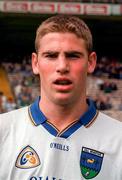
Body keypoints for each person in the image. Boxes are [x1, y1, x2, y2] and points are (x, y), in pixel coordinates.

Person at [0, 15, 122, 180]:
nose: (62, 66)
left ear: (91, 62)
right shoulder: (3, 131)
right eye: (51, 55)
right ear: (35, 63)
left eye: (73, 55)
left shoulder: (118, 140)